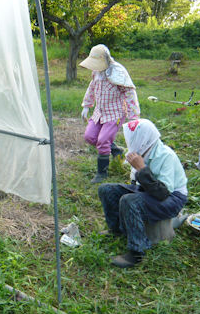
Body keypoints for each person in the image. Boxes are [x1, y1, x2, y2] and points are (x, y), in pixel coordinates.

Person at [98, 119, 188, 268]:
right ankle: (116, 229)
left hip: (172, 198)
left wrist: (141, 169)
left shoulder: (166, 156)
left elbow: (163, 193)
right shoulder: (145, 152)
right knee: (106, 189)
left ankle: (137, 252)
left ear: (144, 140)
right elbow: (138, 185)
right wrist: (139, 172)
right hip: (149, 190)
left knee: (129, 200)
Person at [79, 44, 140, 183]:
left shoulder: (117, 72)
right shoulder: (96, 72)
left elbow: (130, 93)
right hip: (99, 112)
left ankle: (102, 172)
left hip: (115, 113)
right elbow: (92, 87)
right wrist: (87, 105)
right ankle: (115, 149)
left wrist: (133, 116)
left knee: (103, 140)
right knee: (90, 136)